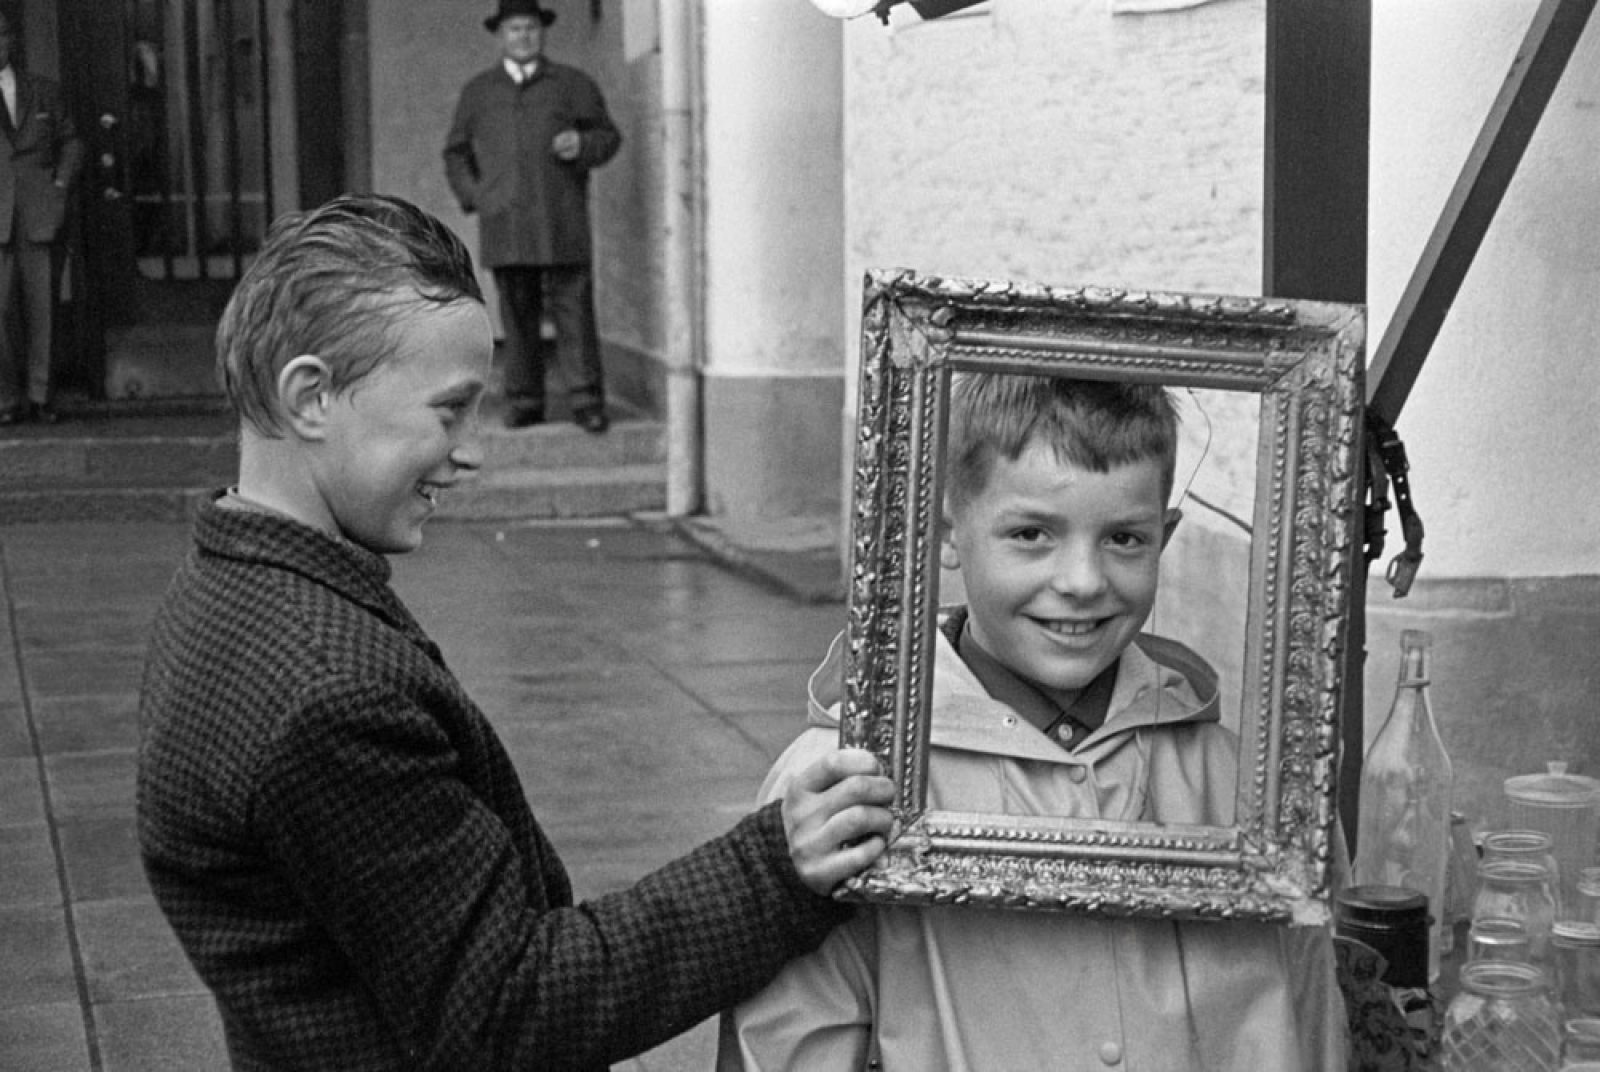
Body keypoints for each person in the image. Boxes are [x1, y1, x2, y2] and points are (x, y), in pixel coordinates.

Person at [136, 193, 896, 1071]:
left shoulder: (233, 584)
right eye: (448, 411)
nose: (470, 451)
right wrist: (775, 869)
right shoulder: (325, 693)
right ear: (311, 396)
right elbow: (506, 1012)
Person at [719, 374, 1347, 1070]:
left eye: (1125, 539)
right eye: (1030, 533)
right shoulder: (845, 785)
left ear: (1164, 538)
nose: (1082, 580)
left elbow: (1309, 1015)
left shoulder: (1243, 782)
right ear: (945, 532)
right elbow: (786, 1045)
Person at [443, 0, 620, 435]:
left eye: (530, 28)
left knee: (573, 310)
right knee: (517, 315)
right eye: (514, 29)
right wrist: (476, 196)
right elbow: (456, 152)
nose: (523, 36)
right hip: (506, 224)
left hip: (561, 220)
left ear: (542, 33)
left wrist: (582, 143)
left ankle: (586, 401)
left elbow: (608, 137)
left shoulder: (572, 85)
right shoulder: (479, 92)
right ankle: (524, 401)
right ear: (500, 35)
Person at [0, 3, 82, 425]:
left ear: (11, 41)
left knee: (43, 307)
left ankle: (41, 395)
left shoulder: (43, 89)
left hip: (39, 214)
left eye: (0, 36)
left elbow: (71, 141)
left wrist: (60, 185)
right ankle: (6, 399)